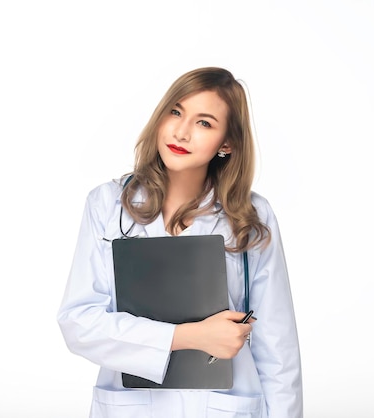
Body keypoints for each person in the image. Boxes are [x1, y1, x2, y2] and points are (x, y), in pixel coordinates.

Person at [56, 67, 303, 417]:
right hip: (131, 407)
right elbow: (79, 323)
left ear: (227, 143)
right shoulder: (107, 204)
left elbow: (277, 348)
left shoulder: (252, 216)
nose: (182, 132)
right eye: (176, 112)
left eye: (204, 123)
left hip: (224, 405)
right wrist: (187, 337)